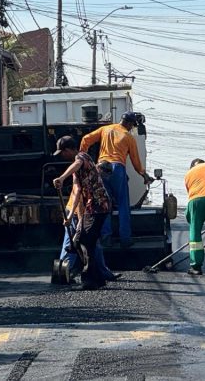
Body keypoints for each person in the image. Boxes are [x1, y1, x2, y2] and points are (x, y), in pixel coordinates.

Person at [80, 112, 153, 248]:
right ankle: (125, 239)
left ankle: (106, 238)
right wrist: (143, 175)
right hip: (117, 169)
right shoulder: (128, 137)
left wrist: (82, 160)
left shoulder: (105, 129)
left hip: (101, 168)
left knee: (104, 205)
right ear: (130, 124)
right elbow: (135, 161)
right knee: (123, 205)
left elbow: (85, 139)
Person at [53, 136, 111, 290]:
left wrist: (61, 177)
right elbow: (77, 192)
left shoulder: (82, 157)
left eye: (63, 152)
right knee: (84, 242)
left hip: (99, 205)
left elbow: (77, 163)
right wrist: (71, 216)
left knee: (83, 241)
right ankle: (97, 279)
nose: (62, 155)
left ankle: (90, 280)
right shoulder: (76, 172)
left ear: (70, 150)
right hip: (91, 208)